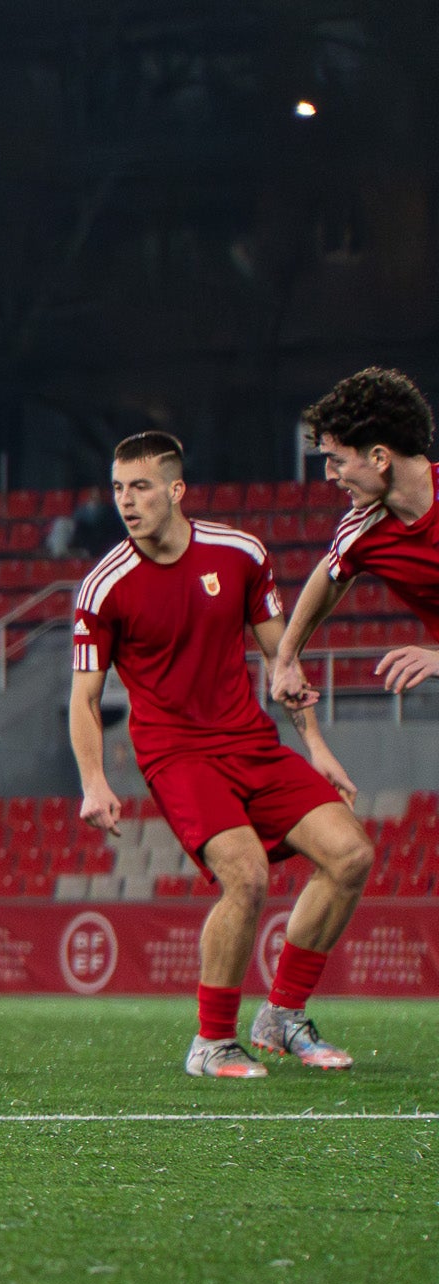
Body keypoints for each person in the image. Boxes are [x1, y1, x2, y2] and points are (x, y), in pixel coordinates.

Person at [71, 431, 371, 1078]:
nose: (126, 501)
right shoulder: (104, 587)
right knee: (248, 873)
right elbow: (85, 699)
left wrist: (315, 745)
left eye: (141, 486)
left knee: (351, 855)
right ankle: (211, 1042)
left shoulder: (240, 555)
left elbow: (280, 659)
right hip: (176, 754)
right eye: (118, 488)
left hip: (250, 741)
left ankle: (282, 1015)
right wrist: (93, 781)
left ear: (176, 490)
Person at [271, 368, 439, 704]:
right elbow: (329, 575)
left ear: (379, 458)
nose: (329, 475)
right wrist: (287, 659)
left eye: (336, 461)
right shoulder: (361, 529)